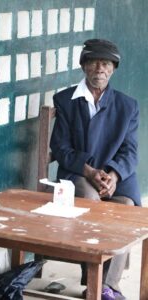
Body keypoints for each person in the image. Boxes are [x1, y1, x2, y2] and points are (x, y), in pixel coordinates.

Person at [50, 39, 141, 300]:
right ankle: (94, 279)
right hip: (79, 173)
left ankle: (107, 286)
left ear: (113, 68)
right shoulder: (66, 100)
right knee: (89, 202)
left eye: (105, 63)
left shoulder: (128, 106)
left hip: (115, 176)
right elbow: (60, 148)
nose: (99, 69)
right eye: (93, 63)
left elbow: (130, 151)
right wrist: (89, 172)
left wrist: (113, 176)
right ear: (84, 67)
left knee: (124, 209)